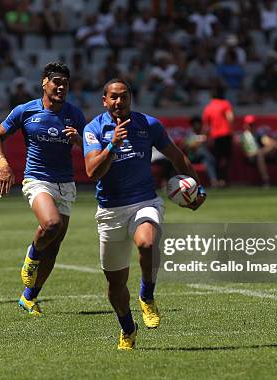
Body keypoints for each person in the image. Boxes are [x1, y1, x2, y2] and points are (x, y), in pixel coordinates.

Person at [83, 78, 206, 350]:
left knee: (147, 243)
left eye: (124, 96)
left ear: (131, 98)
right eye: (113, 97)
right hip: (110, 211)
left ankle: (147, 295)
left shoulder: (148, 125)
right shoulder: (93, 129)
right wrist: (113, 145)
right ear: (104, 100)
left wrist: (198, 188)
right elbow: (92, 172)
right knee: (115, 285)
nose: (118, 102)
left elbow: (177, 156)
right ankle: (128, 328)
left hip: (144, 201)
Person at [0, 62, 86, 316]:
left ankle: (28, 297)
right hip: (36, 180)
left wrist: (79, 141)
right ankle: (31, 257)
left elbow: (93, 152)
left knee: (54, 246)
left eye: (65, 82)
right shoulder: (25, 111)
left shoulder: (74, 114)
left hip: (66, 183)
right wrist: (3, 164)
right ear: (44, 83)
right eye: (56, 81)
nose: (61, 86)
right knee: (51, 224)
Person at [202, 86, 233, 187]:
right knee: (226, 158)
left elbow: (206, 127)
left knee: (217, 159)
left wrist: (206, 137)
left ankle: (218, 179)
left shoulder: (208, 108)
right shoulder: (225, 104)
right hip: (226, 134)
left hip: (216, 136)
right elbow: (230, 118)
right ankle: (224, 179)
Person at [183, 116, 218, 188]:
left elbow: (211, 144)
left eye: (198, 124)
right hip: (192, 157)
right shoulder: (189, 135)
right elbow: (189, 147)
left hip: (202, 158)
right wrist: (199, 142)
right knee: (202, 151)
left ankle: (214, 181)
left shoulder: (205, 134)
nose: (196, 126)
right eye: (195, 124)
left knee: (207, 161)